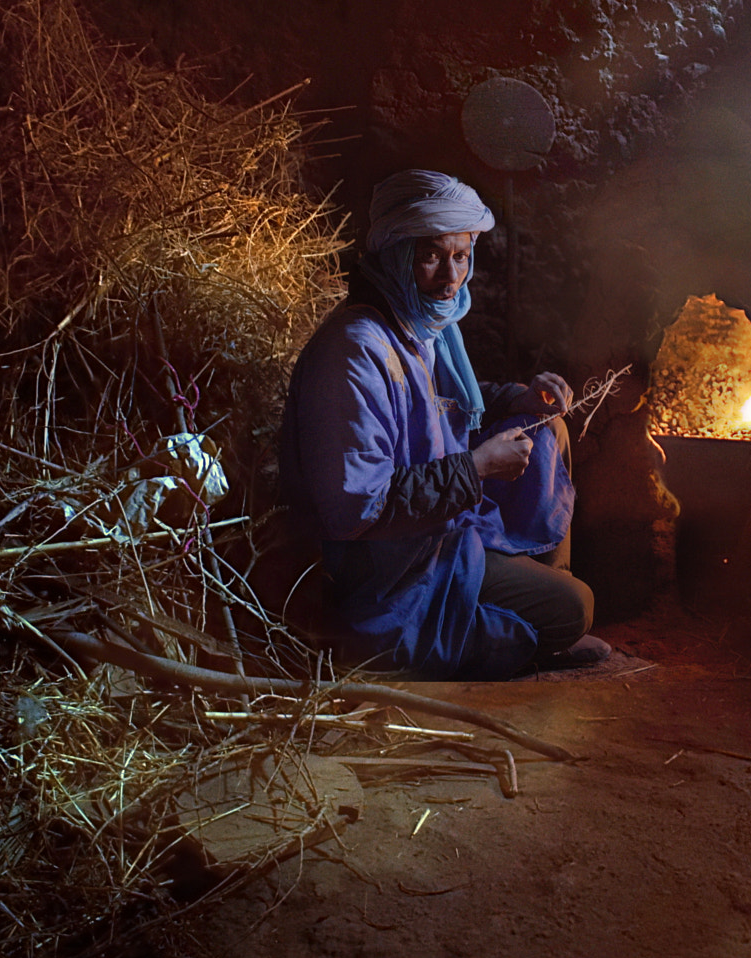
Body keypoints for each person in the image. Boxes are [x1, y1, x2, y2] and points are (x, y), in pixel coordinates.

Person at [257, 169, 609, 679]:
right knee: (576, 606)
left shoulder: (421, 327)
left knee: (545, 426)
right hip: (383, 566)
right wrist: (476, 468)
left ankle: (541, 605)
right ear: (396, 255)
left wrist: (518, 398)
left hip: (434, 523)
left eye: (461, 257)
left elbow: (442, 405)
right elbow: (355, 508)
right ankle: (524, 625)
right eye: (431, 256)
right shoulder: (356, 350)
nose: (450, 278)